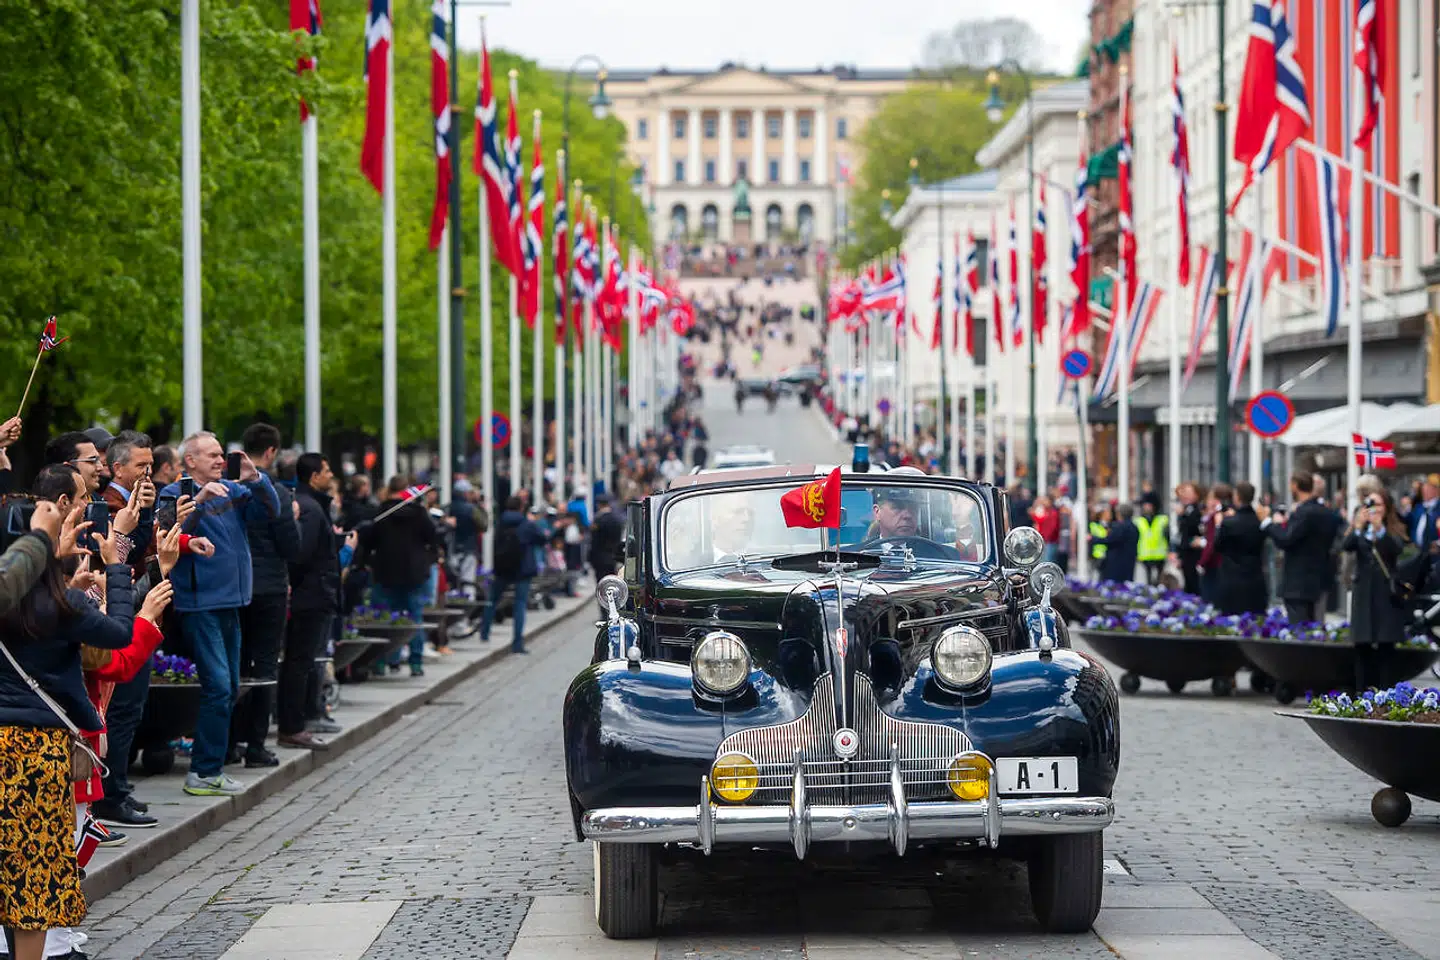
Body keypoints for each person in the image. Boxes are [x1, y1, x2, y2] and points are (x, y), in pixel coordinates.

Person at [0, 474, 134, 960]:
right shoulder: (60, 605)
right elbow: (120, 633)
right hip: (34, 752)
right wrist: (115, 568)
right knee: (31, 880)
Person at [160, 431, 281, 797]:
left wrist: (256, 478)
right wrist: (198, 498)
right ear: (190, 461)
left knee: (228, 686)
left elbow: (270, 511)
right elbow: (169, 532)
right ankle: (203, 770)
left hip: (232, 601)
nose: (219, 460)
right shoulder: (175, 492)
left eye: (221, 454)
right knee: (218, 686)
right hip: (200, 603)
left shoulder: (233, 489)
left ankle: (209, 766)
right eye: (210, 455)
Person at [91, 430, 161, 831]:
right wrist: (138, 522)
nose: (148, 473)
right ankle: (110, 794)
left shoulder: (136, 502)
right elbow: (122, 557)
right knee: (119, 711)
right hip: (118, 609)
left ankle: (117, 785)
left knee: (129, 711)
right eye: (141, 466)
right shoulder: (113, 504)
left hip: (137, 609)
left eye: (151, 465)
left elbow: (146, 550)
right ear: (118, 467)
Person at [231, 423, 300, 769]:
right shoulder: (275, 493)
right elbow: (292, 546)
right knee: (264, 666)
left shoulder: (228, 487)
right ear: (271, 452)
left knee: (236, 663)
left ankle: (230, 742)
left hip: (236, 586)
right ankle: (256, 744)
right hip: (269, 587)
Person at [281, 454, 341, 751]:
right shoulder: (310, 508)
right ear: (315, 476)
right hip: (310, 596)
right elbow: (301, 555)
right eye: (327, 469)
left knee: (301, 661)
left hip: (313, 593)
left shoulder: (312, 505)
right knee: (299, 662)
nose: (331, 475)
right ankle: (293, 725)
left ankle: (295, 723)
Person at [357, 477, 442, 677]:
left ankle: (384, 661)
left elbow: (369, 541)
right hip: (413, 573)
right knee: (414, 618)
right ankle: (415, 662)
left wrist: (365, 562)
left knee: (383, 618)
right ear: (406, 490)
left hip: (385, 571)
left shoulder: (380, 512)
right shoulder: (419, 514)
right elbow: (433, 536)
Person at [1342, 489, 1409, 688]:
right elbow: (1347, 545)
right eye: (1370, 504)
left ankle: (1386, 693)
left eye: (1378, 504)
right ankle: (1363, 693)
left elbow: (1396, 549)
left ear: (1386, 508)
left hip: (1385, 594)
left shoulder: (1392, 529)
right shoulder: (1362, 529)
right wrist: (1358, 526)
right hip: (1364, 593)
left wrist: (1379, 529)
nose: (1374, 509)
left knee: (1385, 646)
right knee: (1362, 645)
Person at [1265, 470, 1342, 624]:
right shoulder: (1327, 513)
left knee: (1299, 629)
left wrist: (1270, 524)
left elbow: (1286, 539)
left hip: (1298, 583)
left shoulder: (1303, 512)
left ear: (1295, 486)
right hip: (1319, 580)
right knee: (1316, 626)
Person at [480, 496, 544, 653]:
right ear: (521, 507)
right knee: (520, 604)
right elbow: (542, 539)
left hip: (503, 567)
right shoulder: (526, 524)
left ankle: (484, 632)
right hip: (523, 568)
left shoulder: (500, 522)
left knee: (493, 600)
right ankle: (517, 643)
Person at [1212, 482, 1269, 616]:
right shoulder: (1258, 521)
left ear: (1237, 497)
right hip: (1255, 578)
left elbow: (1217, 546)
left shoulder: (1228, 523)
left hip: (1232, 579)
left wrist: (1218, 526)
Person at [42, 432, 104, 498]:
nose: (100, 467)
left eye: (98, 460)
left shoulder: (101, 504)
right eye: (92, 461)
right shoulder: (46, 505)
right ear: (68, 468)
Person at [1172, 482, 1205, 596]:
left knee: (1194, 583)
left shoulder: (1198, 510)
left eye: (1188, 493)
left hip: (1194, 553)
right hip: (1186, 552)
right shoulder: (1186, 509)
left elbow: (1194, 529)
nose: (1185, 496)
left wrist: (1183, 516)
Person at [1093, 503, 1139, 584]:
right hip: (1129, 562)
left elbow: (1110, 540)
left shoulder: (1121, 527)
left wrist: (1093, 539)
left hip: (1116, 565)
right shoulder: (1134, 527)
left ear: (1119, 514)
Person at [589, 495, 626, 578]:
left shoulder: (599, 520)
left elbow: (594, 541)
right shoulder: (616, 519)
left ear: (599, 505)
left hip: (600, 556)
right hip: (613, 556)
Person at [1134, 501, 1169, 586]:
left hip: (1160, 554)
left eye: (1149, 505)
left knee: (1160, 580)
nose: (1147, 508)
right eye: (1145, 505)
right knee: (1148, 579)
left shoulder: (1162, 519)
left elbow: (1167, 536)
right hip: (1145, 555)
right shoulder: (1138, 521)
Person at [1405, 473, 1440, 551]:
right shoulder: (1418, 507)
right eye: (1424, 488)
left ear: (1436, 490)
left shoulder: (1438, 507)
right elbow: (1407, 522)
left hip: (1435, 553)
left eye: (1429, 488)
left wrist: (1437, 544)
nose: (1425, 491)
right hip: (1417, 551)